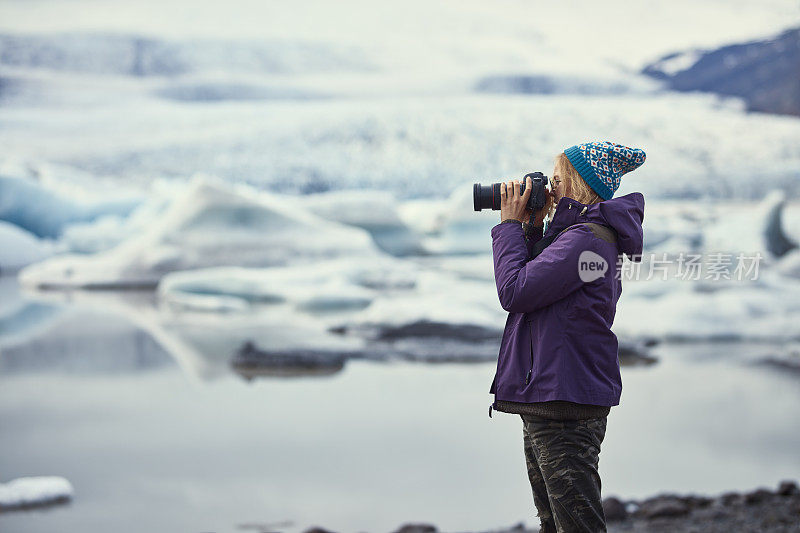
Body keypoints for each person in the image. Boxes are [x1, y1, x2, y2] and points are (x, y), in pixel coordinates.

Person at [488, 141, 646, 533]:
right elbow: (540, 288)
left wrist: (508, 227)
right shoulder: (577, 237)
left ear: (578, 182)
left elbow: (516, 291)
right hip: (552, 396)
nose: (551, 186)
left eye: (558, 177)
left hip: (564, 402)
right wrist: (532, 228)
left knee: (576, 526)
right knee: (555, 524)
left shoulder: (587, 239)